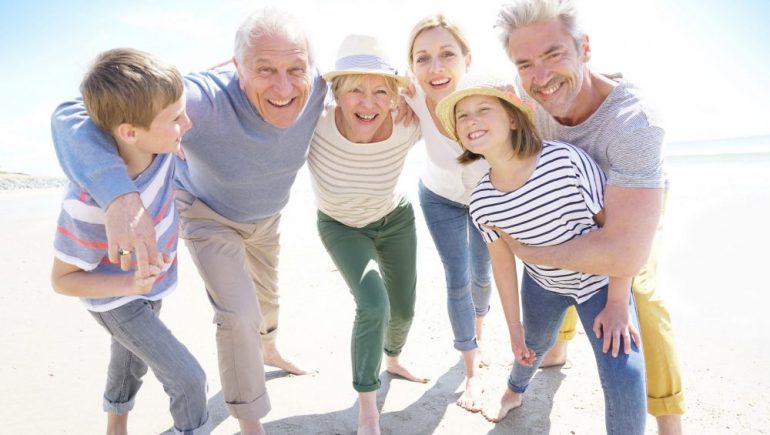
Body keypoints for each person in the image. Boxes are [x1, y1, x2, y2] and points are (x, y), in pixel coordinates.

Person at [50, 9, 326, 435]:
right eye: (265, 69)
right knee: (237, 315)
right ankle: (251, 421)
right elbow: (76, 113)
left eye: (295, 68)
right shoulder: (201, 102)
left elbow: (376, 88)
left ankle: (268, 348)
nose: (284, 86)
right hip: (209, 215)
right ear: (237, 67)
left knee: (265, 305)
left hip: (267, 217)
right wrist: (119, 195)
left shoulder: (320, 86)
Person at [496, 1, 684, 433]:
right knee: (561, 283)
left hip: (631, 208)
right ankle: (557, 350)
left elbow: (622, 251)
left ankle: (670, 422)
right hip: (572, 213)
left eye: (554, 55)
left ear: (584, 47)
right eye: (525, 64)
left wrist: (617, 299)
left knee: (645, 308)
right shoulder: (526, 99)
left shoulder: (633, 123)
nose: (540, 77)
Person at [436, 71, 647, 434]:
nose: (471, 120)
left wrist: (616, 302)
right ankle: (514, 390)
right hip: (543, 286)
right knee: (531, 346)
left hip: (602, 285)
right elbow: (502, 265)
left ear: (515, 117)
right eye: (462, 115)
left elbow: (618, 234)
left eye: (483, 108)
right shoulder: (483, 201)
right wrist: (513, 329)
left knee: (624, 372)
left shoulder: (566, 161)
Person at [50, 48, 209, 435]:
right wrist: (128, 284)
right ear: (129, 132)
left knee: (129, 360)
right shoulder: (88, 206)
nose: (187, 122)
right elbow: (63, 279)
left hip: (148, 286)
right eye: (175, 118)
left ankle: (115, 427)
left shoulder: (161, 149)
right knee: (189, 380)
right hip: (116, 299)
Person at [308, 34, 426, 435]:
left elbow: (456, 115)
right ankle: (367, 406)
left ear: (395, 96)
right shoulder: (315, 124)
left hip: (395, 218)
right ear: (336, 93)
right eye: (355, 89)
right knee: (374, 305)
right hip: (341, 226)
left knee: (404, 309)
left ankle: (393, 358)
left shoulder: (408, 125)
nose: (368, 102)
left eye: (381, 91)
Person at [404, 14, 492, 413]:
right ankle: (471, 369)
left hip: (488, 199)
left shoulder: (492, 96)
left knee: (482, 275)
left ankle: (478, 332)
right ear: (411, 67)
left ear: (467, 59)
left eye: (446, 55)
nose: (435, 68)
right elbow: (349, 87)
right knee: (457, 278)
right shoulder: (411, 95)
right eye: (423, 58)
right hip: (438, 197)